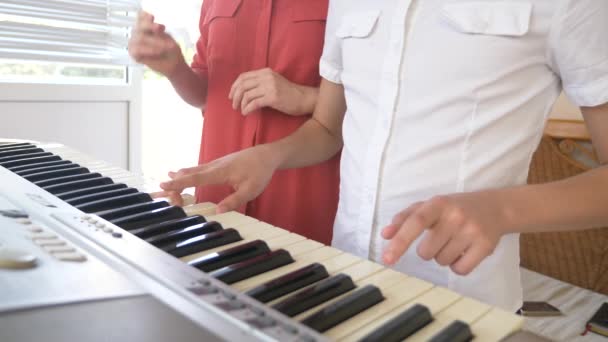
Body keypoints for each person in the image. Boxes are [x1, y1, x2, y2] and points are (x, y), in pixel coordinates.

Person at [160, 0, 608, 311]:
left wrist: (501, 209)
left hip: (466, 303)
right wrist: (269, 156)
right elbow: (326, 129)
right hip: (345, 290)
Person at [128, 0, 340, 244]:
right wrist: (176, 70)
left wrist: (305, 97)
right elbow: (207, 95)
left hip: (300, 198)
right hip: (218, 197)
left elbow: (378, 105)